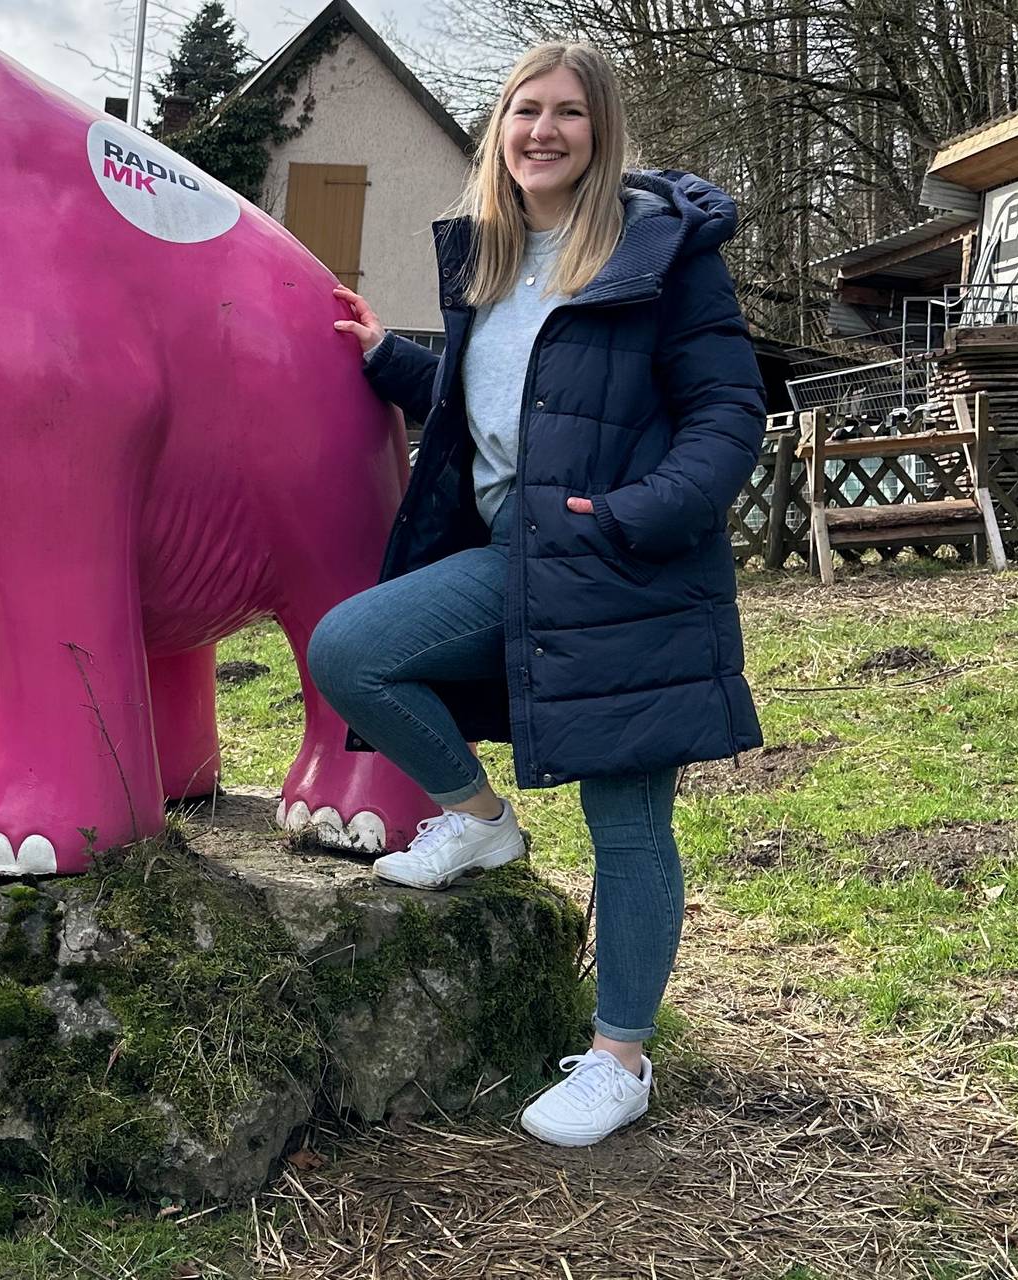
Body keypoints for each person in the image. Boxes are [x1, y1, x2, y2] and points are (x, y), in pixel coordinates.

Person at [307, 41, 765, 1149]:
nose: (542, 130)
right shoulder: (487, 254)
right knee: (349, 650)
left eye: (567, 113)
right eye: (524, 111)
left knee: (627, 821)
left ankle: (619, 1057)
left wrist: (628, 516)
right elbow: (498, 409)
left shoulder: (661, 254)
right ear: (497, 130)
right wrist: (391, 362)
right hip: (512, 550)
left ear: (599, 132)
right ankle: (478, 821)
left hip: (622, 563)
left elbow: (725, 416)